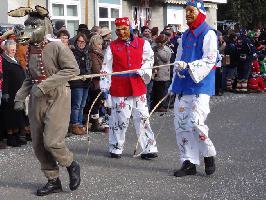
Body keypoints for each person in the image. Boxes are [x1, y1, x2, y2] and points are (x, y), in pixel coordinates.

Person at [9, 6, 81, 196]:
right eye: (27, 26)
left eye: (33, 26)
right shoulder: (30, 49)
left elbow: (72, 69)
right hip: (36, 99)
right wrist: (20, 96)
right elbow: (29, 77)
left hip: (57, 95)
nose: (28, 30)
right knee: (38, 143)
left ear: (44, 27)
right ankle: (52, 180)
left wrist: (44, 86)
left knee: (52, 141)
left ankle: (70, 164)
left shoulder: (57, 46)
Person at [168, 0, 217, 177]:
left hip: (200, 86)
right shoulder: (185, 36)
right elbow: (178, 60)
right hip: (183, 86)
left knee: (196, 122)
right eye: (186, 11)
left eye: (191, 11)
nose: (187, 14)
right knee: (181, 125)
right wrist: (173, 84)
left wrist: (189, 67)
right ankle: (188, 161)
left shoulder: (208, 33)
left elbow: (210, 59)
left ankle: (208, 154)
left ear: (201, 13)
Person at [100, 17, 158, 159]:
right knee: (120, 118)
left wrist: (143, 70)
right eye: (118, 30)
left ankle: (148, 148)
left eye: (124, 29)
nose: (121, 32)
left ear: (130, 28)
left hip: (138, 86)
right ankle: (115, 147)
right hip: (120, 87)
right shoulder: (112, 46)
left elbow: (149, 59)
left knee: (143, 117)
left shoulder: (142, 43)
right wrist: (105, 88)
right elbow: (106, 67)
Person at [1, 40, 28, 147]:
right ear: (6, 49)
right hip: (9, 90)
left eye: (14, 49)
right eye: (11, 50)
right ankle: (10, 136)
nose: (13, 51)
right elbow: (4, 77)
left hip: (18, 90)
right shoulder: (3, 60)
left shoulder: (15, 59)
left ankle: (17, 134)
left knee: (17, 114)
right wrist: (5, 92)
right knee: (10, 115)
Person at [69, 33, 91, 135]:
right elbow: (75, 68)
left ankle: (80, 123)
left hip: (86, 82)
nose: (81, 43)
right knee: (76, 105)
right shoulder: (73, 53)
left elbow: (88, 66)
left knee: (82, 104)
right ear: (76, 42)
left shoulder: (87, 52)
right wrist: (83, 74)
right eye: (79, 41)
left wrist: (88, 75)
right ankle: (74, 124)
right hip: (76, 82)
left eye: (83, 42)